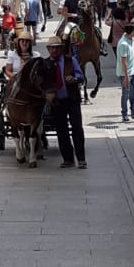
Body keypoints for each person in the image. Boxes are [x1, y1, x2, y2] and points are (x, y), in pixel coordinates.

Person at [46, 38, 86, 169]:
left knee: (77, 129)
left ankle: (81, 159)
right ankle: (68, 159)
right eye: (52, 48)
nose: (55, 50)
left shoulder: (71, 60)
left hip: (72, 99)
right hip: (57, 102)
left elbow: (81, 77)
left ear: (61, 48)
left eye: (57, 47)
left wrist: (74, 78)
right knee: (61, 130)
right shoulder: (46, 64)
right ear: (48, 49)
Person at [114, 19, 134, 124]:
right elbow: (123, 61)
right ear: (130, 32)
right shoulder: (123, 44)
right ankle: (124, 114)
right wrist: (126, 77)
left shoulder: (131, 39)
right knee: (126, 94)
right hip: (125, 73)